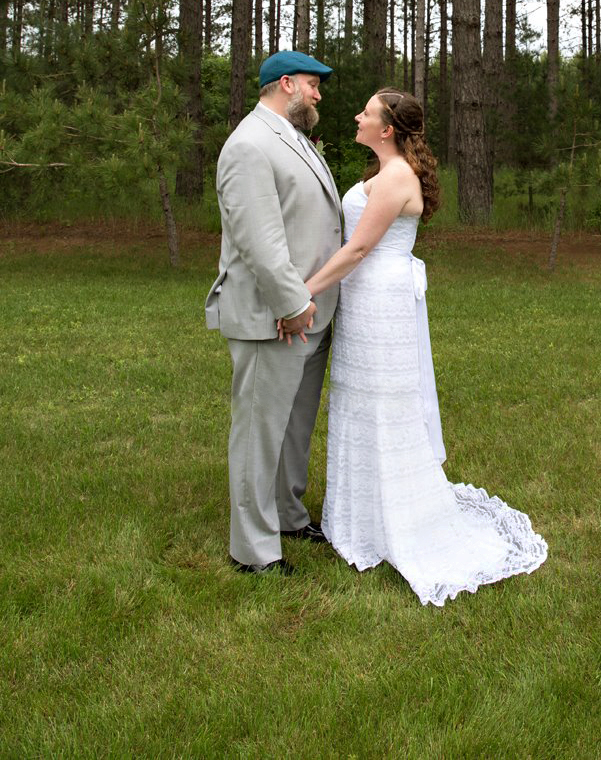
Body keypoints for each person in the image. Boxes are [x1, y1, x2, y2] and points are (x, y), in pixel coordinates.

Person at [280, 88, 548, 606]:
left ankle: (393, 521)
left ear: (386, 129)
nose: (356, 116)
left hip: (381, 304)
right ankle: (359, 516)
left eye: (366, 113)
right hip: (363, 302)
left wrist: (302, 292)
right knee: (359, 405)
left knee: (385, 409)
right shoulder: (384, 170)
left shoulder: (398, 176)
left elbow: (359, 248)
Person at [205, 50, 342, 575]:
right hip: (275, 317)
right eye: (313, 84)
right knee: (259, 434)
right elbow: (259, 240)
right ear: (286, 84)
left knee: (294, 425)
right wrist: (293, 303)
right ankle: (253, 550)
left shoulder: (293, 137)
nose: (318, 94)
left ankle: (287, 513)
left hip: (309, 313)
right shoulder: (249, 144)